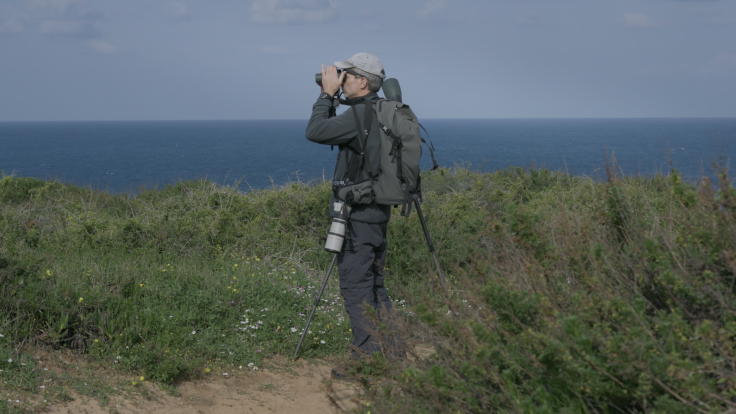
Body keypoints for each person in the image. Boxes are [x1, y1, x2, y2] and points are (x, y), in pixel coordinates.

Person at [305, 53, 398, 382]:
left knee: (357, 287)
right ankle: (394, 350)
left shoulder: (359, 115)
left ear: (362, 81)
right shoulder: (382, 111)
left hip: (357, 218)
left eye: (347, 74)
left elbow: (315, 131)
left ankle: (367, 360)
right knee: (375, 284)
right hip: (377, 213)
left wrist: (326, 95)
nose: (341, 77)